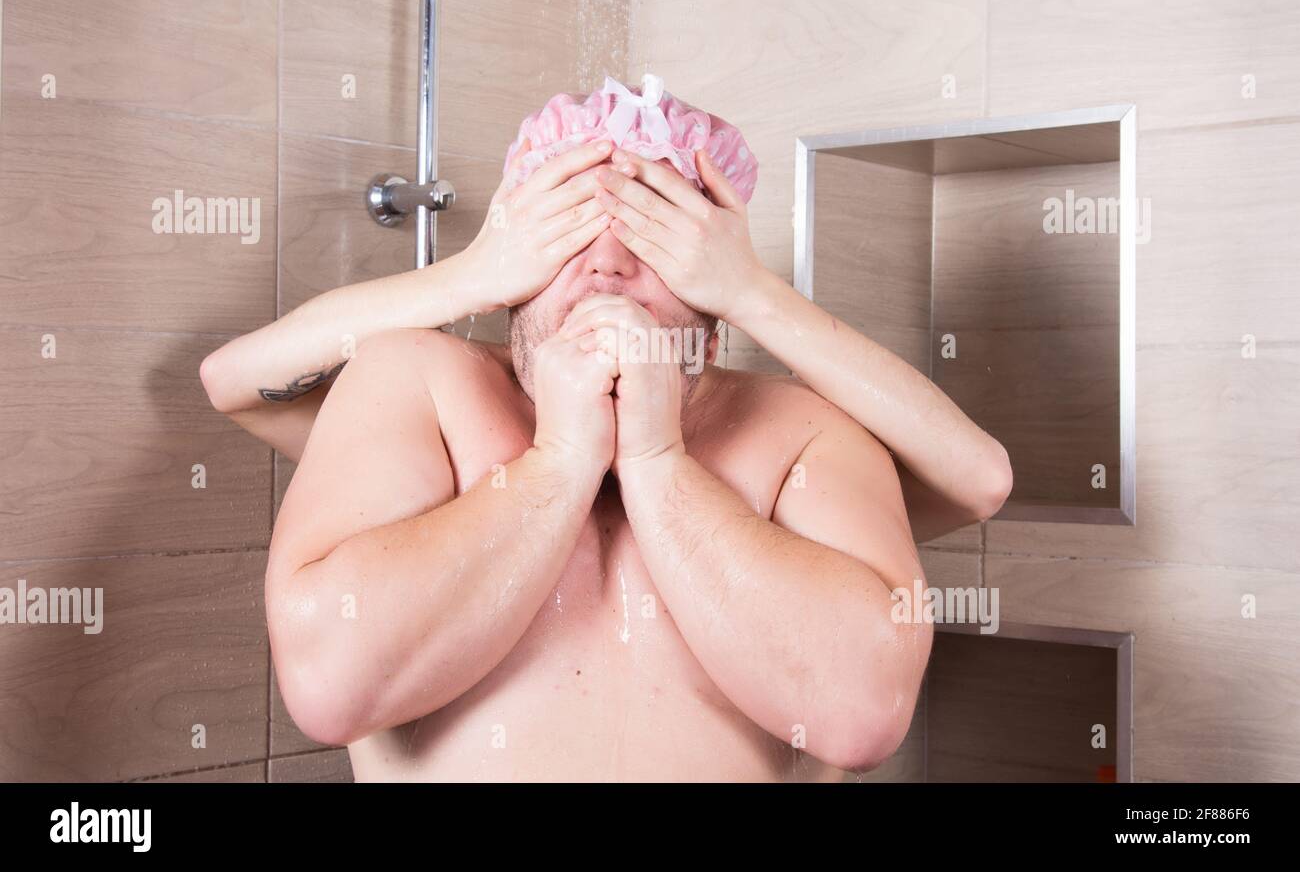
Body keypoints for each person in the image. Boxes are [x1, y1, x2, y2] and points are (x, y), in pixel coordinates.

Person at [201, 75, 1011, 780]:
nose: (607, 266)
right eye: (568, 232)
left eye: (656, 239)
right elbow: (331, 685)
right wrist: (557, 456)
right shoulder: (419, 388)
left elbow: (861, 712)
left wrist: (660, 460)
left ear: (713, 307)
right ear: (516, 281)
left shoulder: (805, 433)